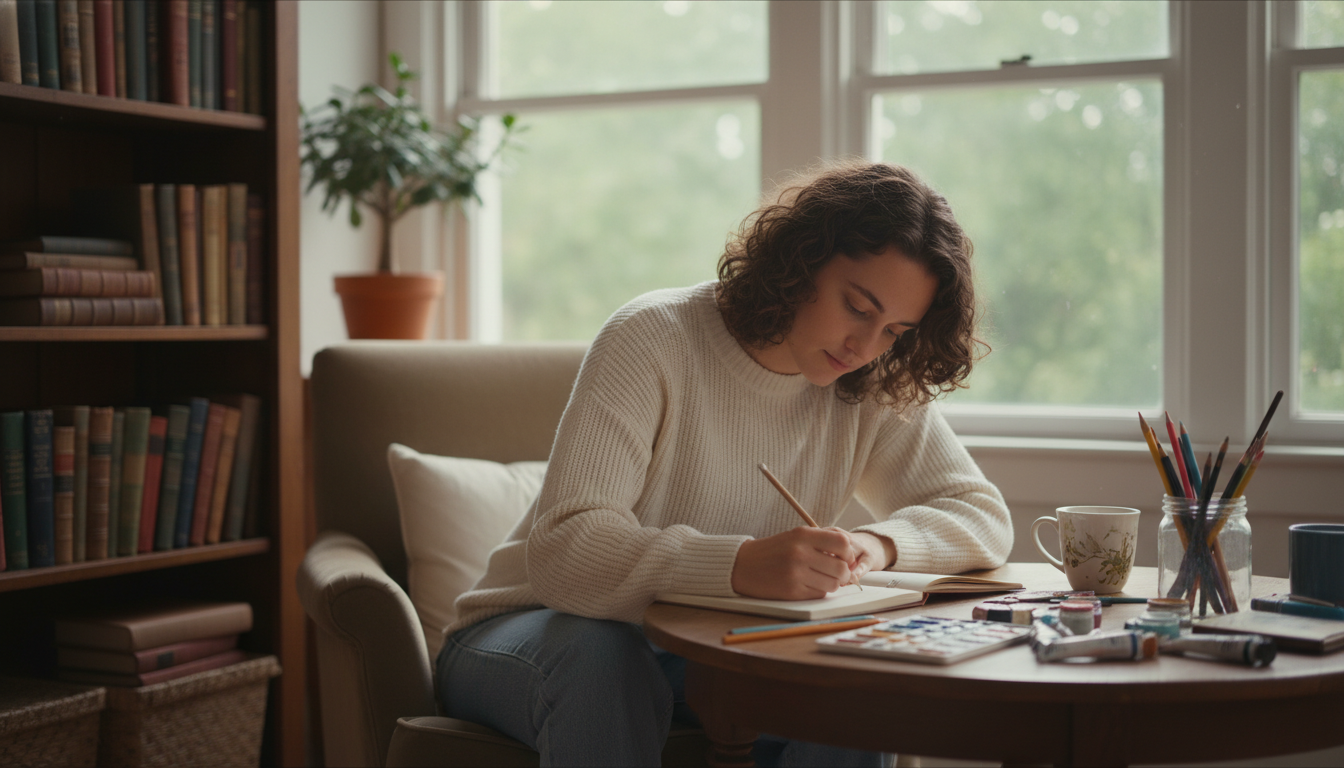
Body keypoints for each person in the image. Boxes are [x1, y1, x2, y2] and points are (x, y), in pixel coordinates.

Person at [436, 161, 1013, 767]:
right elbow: (563, 552)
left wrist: (872, 545)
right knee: (603, 658)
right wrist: (736, 565)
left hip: (702, 650)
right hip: (535, 630)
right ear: (799, 260)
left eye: (895, 330)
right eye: (857, 307)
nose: (865, 347)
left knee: (852, 676)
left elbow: (980, 515)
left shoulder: (866, 382)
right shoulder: (653, 338)